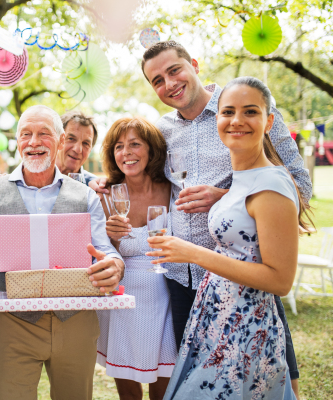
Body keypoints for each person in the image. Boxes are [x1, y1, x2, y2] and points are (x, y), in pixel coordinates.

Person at [91, 41, 309, 398]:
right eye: (157, 80)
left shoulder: (242, 112)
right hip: (181, 279)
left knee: (267, 380)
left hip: (245, 278)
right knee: (198, 384)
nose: (169, 83)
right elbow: (140, 169)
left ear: (194, 64)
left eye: (174, 70)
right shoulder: (161, 130)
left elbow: (297, 186)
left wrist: (224, 198)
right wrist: (107, 180)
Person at [149, 76, 309, 399]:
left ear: (269, 122)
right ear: (216, 119)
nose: (237, 121)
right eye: (228, 112)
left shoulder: (272, 185)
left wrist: (192, 253)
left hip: (247, 327)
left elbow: (280, 281)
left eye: (250, 112)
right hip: (218, 319)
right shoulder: (242, 177)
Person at [0, 105, 125, 400]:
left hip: (77, 320)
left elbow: (105, 251)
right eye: (26, 135)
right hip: (16, 322)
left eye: (43, 134)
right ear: (18, 142)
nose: (34, 142)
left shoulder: (85, 195)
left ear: (59, 141)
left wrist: (114, 265)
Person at [96, 117, 177, 400]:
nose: (126, 152)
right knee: (128, 393)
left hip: (165, 296)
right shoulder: (106, 195)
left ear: (151, 150)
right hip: (122, 299)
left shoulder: (172, 189)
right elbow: (102, 251)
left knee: (163, 386)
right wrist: (112, 237)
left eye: (134, 144)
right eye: (119, 146)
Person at [56, 110, 99, 184]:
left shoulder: (96, 188)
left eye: (85, 143)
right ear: (57, 139)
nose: (77, 150)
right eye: (71, 139)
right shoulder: (33, 179)